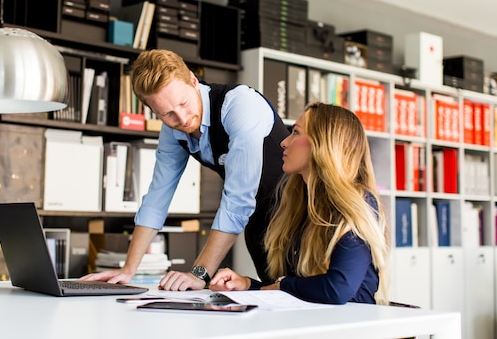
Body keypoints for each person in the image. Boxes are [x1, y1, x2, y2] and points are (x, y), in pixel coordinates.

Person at [80, 49, 290, 290]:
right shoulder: (174, 130)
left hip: (300, 217)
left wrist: (198, 273)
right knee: (275, 301)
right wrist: (128, 270)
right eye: (166, 113)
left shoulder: (240, 106)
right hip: (260, 224)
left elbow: (237, 200)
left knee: (311, 300)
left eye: (183, 103)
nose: (181, 119)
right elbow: (157, 197)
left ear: (193, 80)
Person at [209, 102, 389, 305]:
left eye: (295, 132)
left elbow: (337, 288)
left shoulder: (359, 204)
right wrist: (247, 285)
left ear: (322, 144)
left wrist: (281, 285)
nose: (284, 142)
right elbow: (296, 288)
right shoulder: (295, 203)